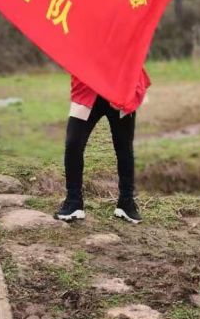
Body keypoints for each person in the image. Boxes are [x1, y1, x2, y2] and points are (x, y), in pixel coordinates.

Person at [56, 70, 150, 224]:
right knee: (73, 143)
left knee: (124, 147)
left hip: (120, 87)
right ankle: (73, 202)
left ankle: (126, 202)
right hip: (87, 87)